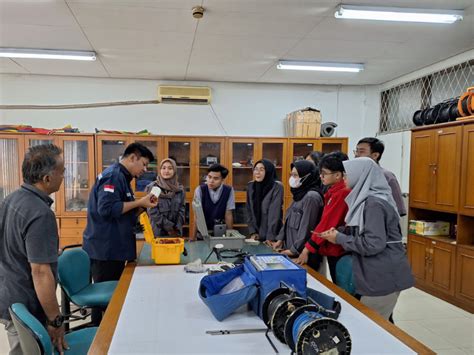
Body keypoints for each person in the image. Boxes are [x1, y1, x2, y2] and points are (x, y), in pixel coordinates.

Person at [318, 157, 415, 320]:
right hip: (375, 272)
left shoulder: (373, 204)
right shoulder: (365, 200)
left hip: (382, 274)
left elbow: (373, 244)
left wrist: (340, 238)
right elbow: (363, 231)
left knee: (374, 324)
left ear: (361, 176)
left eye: (347, 174)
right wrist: (341, 231)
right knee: (379, 323)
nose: (344, 178)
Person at [0, 144, 68, 354]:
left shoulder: (11, 199)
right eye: (62, 170)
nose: (64, 175)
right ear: (47, 178)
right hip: (26, 303)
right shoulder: (40, 214)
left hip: (8, 293)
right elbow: (40, 272)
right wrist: (55, 320)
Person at [82, 143, 158, 325]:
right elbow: (106, 209)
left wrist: (142, 206)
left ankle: (106, 331)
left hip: (114, 247)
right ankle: (99, 339)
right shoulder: (114, 176)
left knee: (111, 297)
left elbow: (123, 210)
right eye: (144, 164)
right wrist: (140, 201)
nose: (145, 170)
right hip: (105, 249)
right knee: (104, 300)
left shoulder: (123, 177)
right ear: (133, 157)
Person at [295, 152, 350, 284]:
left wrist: (307, 249)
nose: (321, 176)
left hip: (339, 248)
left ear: (338, 175)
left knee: (342, 286)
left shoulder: (342, 193)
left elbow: (327, 224)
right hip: (330, 246)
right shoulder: (332, 191)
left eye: (324, 173)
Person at [271, 160, 324, 263]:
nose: (292, 178)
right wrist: (280, 239)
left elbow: (307, 227)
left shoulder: (311, 197)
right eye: (292, 175)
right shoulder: (299, 194)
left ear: (307, 176)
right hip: (290, 250)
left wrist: (293, 250)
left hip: (302, 255)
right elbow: (288, 220)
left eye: (296, 175)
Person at [354, 137, 406, 217]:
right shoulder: (356, 175)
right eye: (356, 151)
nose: (356, 155)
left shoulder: (387, 176)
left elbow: (398, 209)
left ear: (375, 155)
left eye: (361, 151)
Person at [191, 164, 235, 241]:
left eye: (216, 178)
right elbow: (197, 216)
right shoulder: (200, 190)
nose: (211, 181)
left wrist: (230, 236)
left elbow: (228, 214)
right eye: (209, 177)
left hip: (220, 234)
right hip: (202, 234)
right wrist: (193, 238)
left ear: (222, 179)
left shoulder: (229, 190)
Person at [145, 158, 185, 237]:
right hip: (158, 232)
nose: (166, 171)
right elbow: (152, 211)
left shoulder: (180, 189)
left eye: (170, 168)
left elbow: (182, 209)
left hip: (175, 232)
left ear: (174, 171)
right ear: (160, 170)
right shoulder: (153, 187)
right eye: (163, 168)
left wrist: (177, 226)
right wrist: (169, 227)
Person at [246, 159, 283, 242]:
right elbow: (249, 211)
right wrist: (253, 232)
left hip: (272, 236)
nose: (257, 172)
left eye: (262, 170)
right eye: (255, 169)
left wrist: (270, 238)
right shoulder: (251, 186)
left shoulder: (276, 186)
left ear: (268, 171)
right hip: (256, 236)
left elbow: (274, 215)